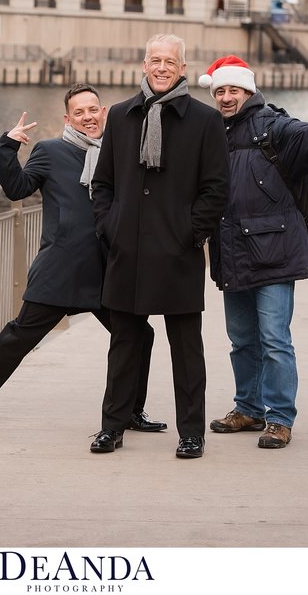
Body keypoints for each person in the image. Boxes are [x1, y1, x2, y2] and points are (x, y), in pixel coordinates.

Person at [0, 83, 165, 435]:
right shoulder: (50, 151)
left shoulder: (117, 154)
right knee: (20, 337)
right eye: (80, 112)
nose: (88, 117)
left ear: (103, 112)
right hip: (62, 267)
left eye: (93, 110)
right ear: (68, 118)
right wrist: (8, 145)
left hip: (107, 268)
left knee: (138, 334)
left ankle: (130, 411)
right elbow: (17, 188)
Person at [200, 55, 308, 449]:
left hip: (274, 252)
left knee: (275, 339)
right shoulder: (211, 132)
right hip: (231, 251)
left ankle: (279, 418)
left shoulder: (272, 124)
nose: (226, 97)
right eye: (220, 91)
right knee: (242, 339)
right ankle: (248, 407)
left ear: (249, 90)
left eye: (234, 90)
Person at [89, 33, 229, 459]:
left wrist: (191, 233)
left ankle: (192, 433)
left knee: (187, 350)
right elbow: (103, 182)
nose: (163, 67)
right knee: (124, 345)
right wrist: (110, 226)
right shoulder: (121, 115)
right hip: (127, 252)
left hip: (178, 253)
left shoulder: (205, 121)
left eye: (171, 61)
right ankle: (112, 427)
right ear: (144, 66)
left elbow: (216, 188)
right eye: (155, 60)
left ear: (183, 69)